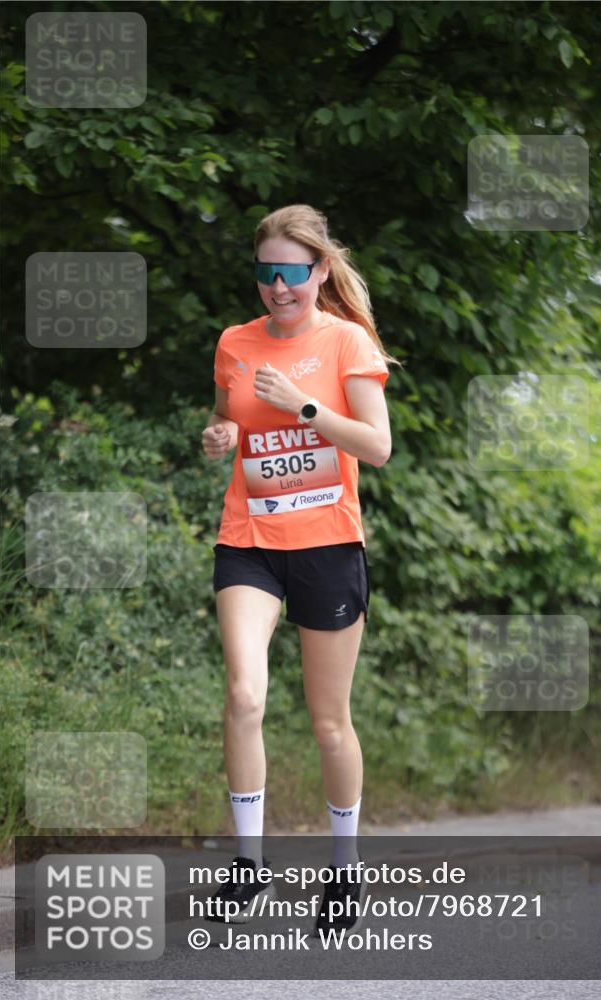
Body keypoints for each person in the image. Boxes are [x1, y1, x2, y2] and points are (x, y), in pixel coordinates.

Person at [201, 204, 398, 934]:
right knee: (245, 694)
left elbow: (375, 447)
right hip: (249, 537)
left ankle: (344, 871)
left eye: (290, 273)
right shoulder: (234, 342)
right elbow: (226, 418)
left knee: (327, 723)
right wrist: (218, 435)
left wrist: (307, 406)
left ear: (317, 271)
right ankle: (249, 868)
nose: (277, 287)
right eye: (264, 274)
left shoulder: (346, 341)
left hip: (326, 545)